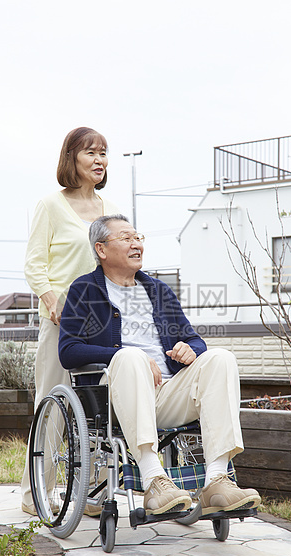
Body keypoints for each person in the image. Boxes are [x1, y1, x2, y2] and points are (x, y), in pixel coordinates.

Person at [58, 214, 261, 516]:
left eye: (138, 237)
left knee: (221, 358)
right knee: (130, 356)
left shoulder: (158, 290)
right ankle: (154, 480)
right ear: (101, 249)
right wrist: (123, 354)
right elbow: (69, 350)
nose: (136, 243)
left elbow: (195, 340)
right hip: (116, 398)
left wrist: (189, 350)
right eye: (126, 238)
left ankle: (217, 481)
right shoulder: (84, 290)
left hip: (167, 393)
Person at [21, 127, 117, 514]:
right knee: (52, 404)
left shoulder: (107, 208)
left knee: (100, 408)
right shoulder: (50, 205)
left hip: (100, 321)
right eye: (91, 152)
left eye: (104, 153)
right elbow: (34, 263)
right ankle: (35, 494)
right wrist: (50, 298)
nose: (99, 160)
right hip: (62, 320)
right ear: (72, 158)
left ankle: (93, 492)